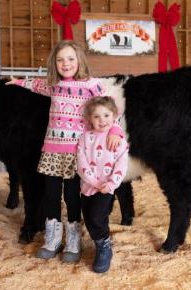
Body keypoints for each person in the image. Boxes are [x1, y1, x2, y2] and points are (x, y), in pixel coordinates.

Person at [9, 40, 123, 263]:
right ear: (55, 63)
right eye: (60, 60)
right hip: (52, 151)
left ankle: (73, 239)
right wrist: (18, 82)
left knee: (72, 197)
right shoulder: (54, 84)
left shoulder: (91, 85)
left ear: (79, 60)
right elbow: (36, 85)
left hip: (77, 153)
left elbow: (111, 109)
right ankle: (52, 239)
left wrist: (115, 131)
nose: (66, 63)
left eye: (70, 58)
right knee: (51, 196)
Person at [77, 97, 128, 273]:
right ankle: (100, 240)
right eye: (97, 116)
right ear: (90, 119)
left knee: (97, 216)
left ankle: (104, 246)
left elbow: (122, 163)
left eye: (106, 115)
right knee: (90, 218)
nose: (102, 120)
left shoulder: (117, 138)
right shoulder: (85, 138)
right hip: (88, 186)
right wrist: (94, 182)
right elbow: (81, 163)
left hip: (107, 187)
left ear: (114, 116)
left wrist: (111, 183)